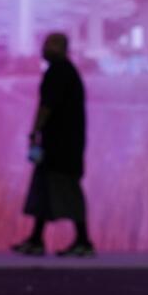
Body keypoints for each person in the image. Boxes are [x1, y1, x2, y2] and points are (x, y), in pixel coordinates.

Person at [12, 32, 94, 256]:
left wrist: (35, 131)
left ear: (62, 47)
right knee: (46, 189)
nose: (45, 48)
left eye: (51, 44)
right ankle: (37, 239)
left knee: (66, 190)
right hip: (63, 144)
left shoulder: (58, 72)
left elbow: (46, 106)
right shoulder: (66, 71)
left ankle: (84, 242)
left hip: (62, 146)